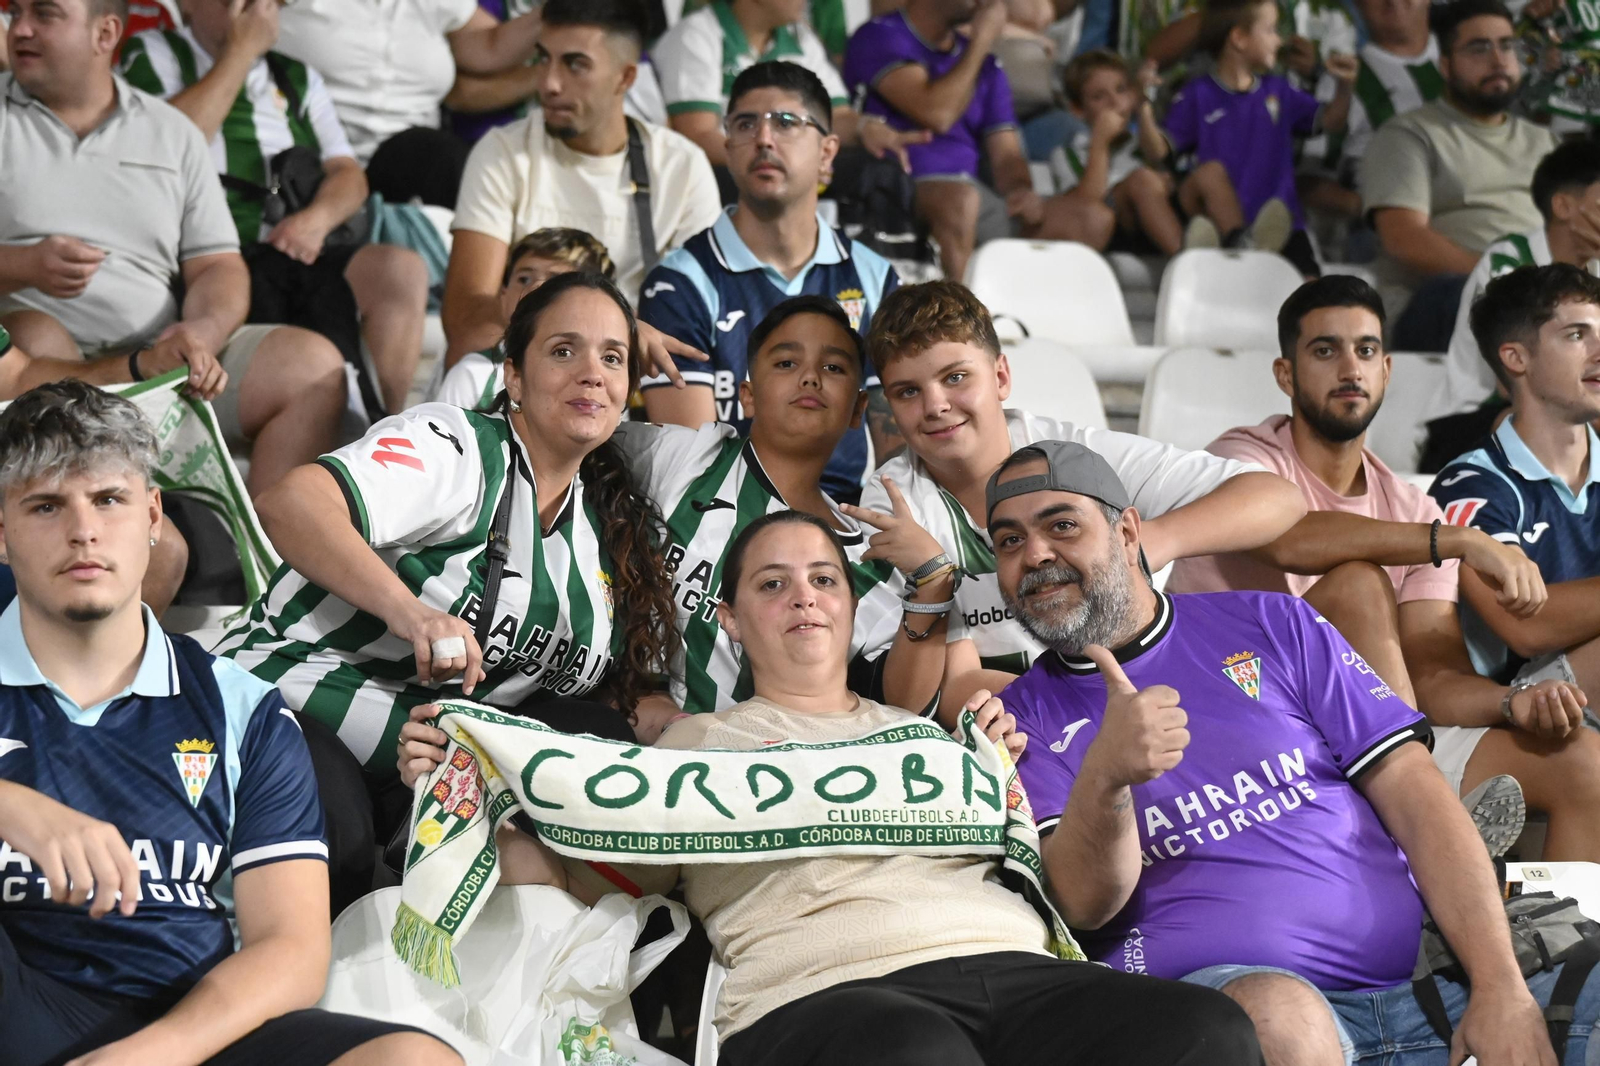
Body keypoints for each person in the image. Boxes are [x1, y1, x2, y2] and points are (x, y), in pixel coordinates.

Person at [398, 508, 1270, 1066]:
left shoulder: (934, 738)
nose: (804, 599)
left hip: (1014, 969)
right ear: (731, 620)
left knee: (1205, 1032)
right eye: (772, 585)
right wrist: (457, 788)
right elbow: (583, 877)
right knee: (917, 1052)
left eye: (823, 580)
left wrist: (1064, 777)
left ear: (852, 609)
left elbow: (1072, 895)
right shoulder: (691, 748)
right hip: (821, 997)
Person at [990, 439, 1600, 1066]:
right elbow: (1084, 907)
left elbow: (1414, 793)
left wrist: (1498, 987)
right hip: (1232, 1013)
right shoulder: (1017, 720)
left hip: (1426, 982)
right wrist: (1107, 777)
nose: (1035, 555)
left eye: (1061, 526)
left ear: (1126, 533)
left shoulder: (1273, 623)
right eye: (1009, 541)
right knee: (1283, 1016)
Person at [0, 380, 460, 1066]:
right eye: (46, 505)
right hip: (23, 1008)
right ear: (1, 536)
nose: (83, 531)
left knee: (413, 1061)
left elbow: (291, 948)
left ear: (152, 516)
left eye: (109, 499)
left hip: (187, 1030)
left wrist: (148, 1056)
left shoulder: (241, 708)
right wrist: (12, 808)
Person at [216, 271, 681, 905]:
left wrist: (682, 728)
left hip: (423, 760)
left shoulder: (607, 529)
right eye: (563, 351)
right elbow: (291, 503)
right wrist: (410, 613)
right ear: (513, 376)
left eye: (612, 358)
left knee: (592, 742)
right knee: (334, 837)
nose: (592, 375)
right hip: (296, 698)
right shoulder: (456, 448)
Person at [1166, 275, 1600, 860]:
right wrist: (1454, 539)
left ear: (1387, 370)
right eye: (1326, 350)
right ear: (1286, 375)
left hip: (1382, 736)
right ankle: (1419, 816)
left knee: (1582, 763)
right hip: (1244, 723)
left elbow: (1433, 675)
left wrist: (1510, 701)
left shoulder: (1413, 508)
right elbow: (1288, 538)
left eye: (1366, 350)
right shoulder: (1241, 459)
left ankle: (1548, 920)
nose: (1351, 368)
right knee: (1359, 584)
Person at [861, 279, 1308, 715]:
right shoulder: (891, 502)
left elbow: (1278, 497)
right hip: (1030, 727)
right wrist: (1085, 709)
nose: (935, 405)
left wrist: (1150, 541)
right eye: (908, 391)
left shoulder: (1075, 455)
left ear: (1000, 376)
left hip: (1138, 702)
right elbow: (911, 699)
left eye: (955, 377)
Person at [0, 0, 348, 498]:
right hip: (40, 357)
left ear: (105, 34)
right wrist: (23, 265)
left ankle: (270, 543)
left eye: (44, 14)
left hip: (158, 350)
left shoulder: (172, 131)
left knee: (312, 366)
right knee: (36, 336)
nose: (20, 28)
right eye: (16, 13)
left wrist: (202, 330)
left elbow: (217, 265)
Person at [620, 296, 958, 723]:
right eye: (786, 363)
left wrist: (933, 582)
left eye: (833, 367)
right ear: (747, 396)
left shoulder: (867, 560)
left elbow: (902, 708)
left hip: (776, 754)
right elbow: (556, 430)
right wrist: (613, 335)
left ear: (858, 409)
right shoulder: (682, 458)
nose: (810, 377)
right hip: (626, 733)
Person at [120, 0, 432, 417]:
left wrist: (314, 221)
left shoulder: (297, 76)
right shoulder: (153, 52)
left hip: (292, 244)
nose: (255, 10)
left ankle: (386, 425)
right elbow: (167, 150)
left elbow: (348, 174)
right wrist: (240, 51)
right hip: (207, 254)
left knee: (399, 269)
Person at [638, 61, 900, 503]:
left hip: (849, 518)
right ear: (728, 147)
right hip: (726, 518)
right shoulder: (679, 283)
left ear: (827, 152)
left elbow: (900, 460)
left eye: (786, 122)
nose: (763, 138)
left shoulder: (875, 277)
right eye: (745, 124)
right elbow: (692, 475)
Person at [443, 0, 722, 369]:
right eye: (543, 59)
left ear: (625, 78)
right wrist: (615, 329)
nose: (549, 83)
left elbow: (699, 314)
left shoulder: (682, 165)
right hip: (532, 365)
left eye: (575, 64)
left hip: (637, 374)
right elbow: (466, 315)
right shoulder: (502, 152)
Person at [843, 0, 1115, 283]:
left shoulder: (987, 64)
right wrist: (981, 40)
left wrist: (1020, 189)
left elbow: (1006, 154)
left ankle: (1013, 303)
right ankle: (953, 309)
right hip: (902, 186)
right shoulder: (879, 35)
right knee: (961, 200)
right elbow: (938, 113)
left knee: (1093, 220)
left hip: (972, 196)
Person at [1430, 264, 1600, 702]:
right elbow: (1527, 625)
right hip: (1521, 702)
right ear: (1516, 358)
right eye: (1577, 335)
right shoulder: (1468, 484)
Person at [1362, 0, 1559, 352]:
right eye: (1479, 48)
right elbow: (1403, 238)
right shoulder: (1409, 134)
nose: (1498, 60)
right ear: (1445, 65)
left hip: (1540, 301)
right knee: (1473, 302)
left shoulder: (1546, 142)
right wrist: (1503, 279)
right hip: (1439, 300)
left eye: (1507, 45)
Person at [270, 0, 543, 206]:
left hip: (410, 162)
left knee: (460, 163)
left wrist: (561, 11)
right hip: (312, 158)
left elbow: (490, 46)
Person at [1165, 0, 1357, 276]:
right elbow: (1164, 152)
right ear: (1239, 38)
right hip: (1224, 227)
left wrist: (1345, 86)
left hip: (1283, 224)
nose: (1279, 40)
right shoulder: (1197, 94)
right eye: (1270, 30)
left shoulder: (1279, 90)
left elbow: (1331, 121)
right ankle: (1242, 245)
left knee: (1312, 294)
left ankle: (1253, 250)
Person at [1428, 141, 1600, 428]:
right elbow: (1515, 381)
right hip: (1481, 413)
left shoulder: (1595, 269)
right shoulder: (1507, 260)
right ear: (1563, 206)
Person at [436, 227, 613, 410]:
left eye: (554, 281)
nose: (535, 288)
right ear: (503, 294)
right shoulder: (472, 374)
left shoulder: (601, 379)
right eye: (524, 279)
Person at [1051, 49, 1187, 256]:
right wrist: (1100, 142)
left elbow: (1158, 154)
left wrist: (1142, 105)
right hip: (1116, 233)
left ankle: (1235, 239)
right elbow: (1086, 206)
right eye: (1099, 97)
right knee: (1141, 179)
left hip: (1166, 216)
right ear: (1078, 110)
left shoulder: (1143, 138)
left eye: (1121, 90)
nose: (1115, 102)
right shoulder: (1067, 155)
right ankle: (1186, 260)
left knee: (1211, 172)